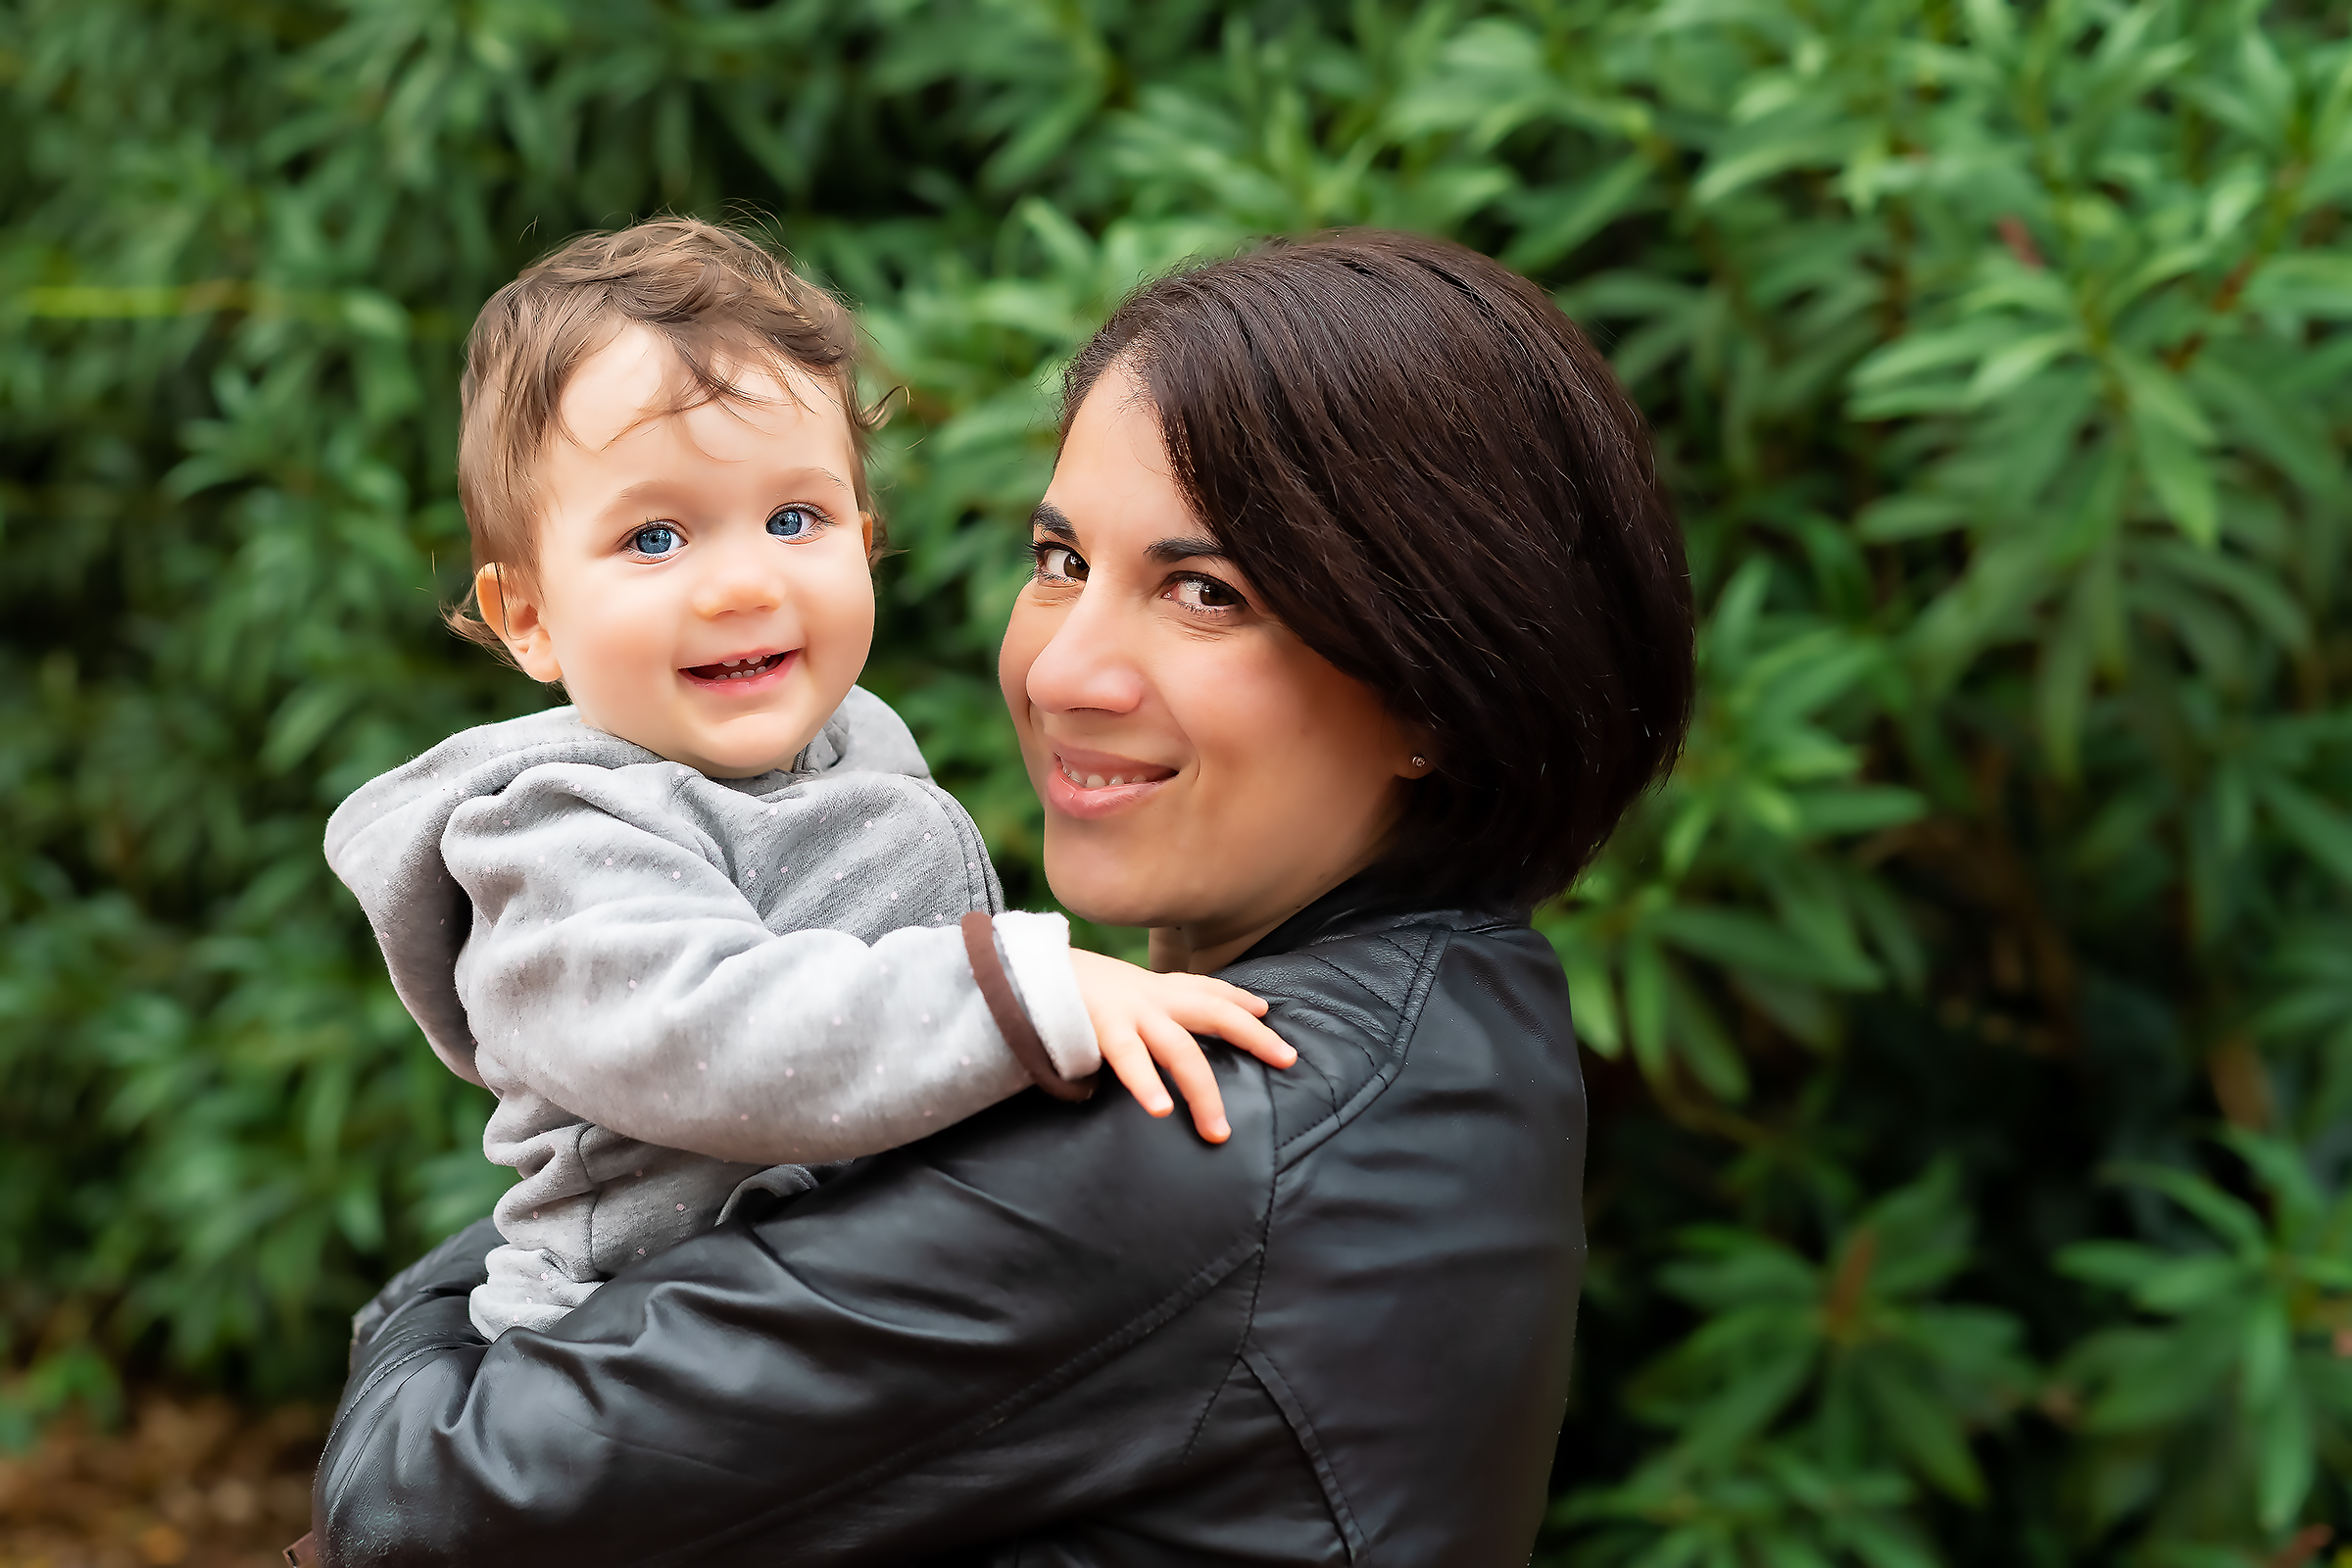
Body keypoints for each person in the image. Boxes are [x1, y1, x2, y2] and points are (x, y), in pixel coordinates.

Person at [303, 229, 1694, 1567]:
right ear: (525, 613)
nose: (1061, 671)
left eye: (1205, 591)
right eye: (1061, 562)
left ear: (1434, 689)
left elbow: (432, 1507)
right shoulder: (1451, 1017)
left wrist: (413, 1327)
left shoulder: (1222, 1136)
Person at [321, 219, 1292, 1345]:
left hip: (825, 1302)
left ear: (864, 542)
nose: (742, 583)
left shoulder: (858, 750)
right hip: (636, 1355)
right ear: (529, 617)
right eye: (654, 537)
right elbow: (708, 1035)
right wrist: (1031, 998)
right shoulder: (555, 832)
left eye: (794, 519)